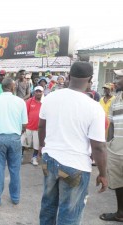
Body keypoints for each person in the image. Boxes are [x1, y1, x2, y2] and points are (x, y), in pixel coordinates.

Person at [38, 61, 108, 225]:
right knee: (69, 216)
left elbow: (42, 125)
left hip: (49, 161)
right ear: (90, 80)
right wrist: (103, 174)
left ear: (68, 77)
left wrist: (42, 146)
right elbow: (98, 146)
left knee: (47, 207)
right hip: (75, 166)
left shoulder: (50, 97)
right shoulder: (94, 107)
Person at [0, 78, 28, 207]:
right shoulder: (20, 102)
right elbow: (24, 124)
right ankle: (15, 197)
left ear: (2, 88)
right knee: (15, 170)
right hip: (15, 137)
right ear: (13, 88)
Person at [99, 69, 123, 223]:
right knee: (118, 183)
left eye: (120, 78)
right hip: (116, 150)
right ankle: (120, 213)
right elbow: (111, 125)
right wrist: (109, 145)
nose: (116, 80)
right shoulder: (116, 99)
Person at [22, 86, 43, 166]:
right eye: (37, 91)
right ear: (34, 92)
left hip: (38, 129)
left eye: (40, 91)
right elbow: (25, 114)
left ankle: (34, 158)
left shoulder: (44, 102)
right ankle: (21, 156)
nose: (38, 93)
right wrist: (23, 126)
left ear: (42, 92)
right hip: (28, 127)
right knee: (24, 143)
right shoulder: (29, 101)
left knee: (36, 145)